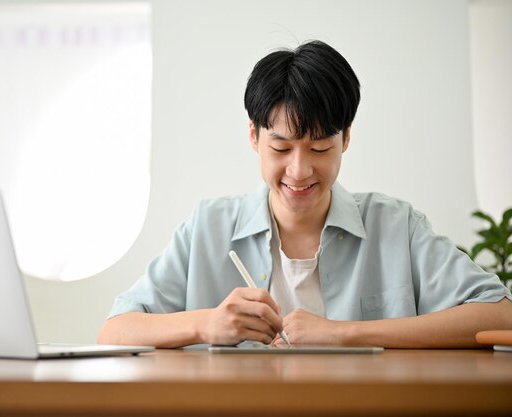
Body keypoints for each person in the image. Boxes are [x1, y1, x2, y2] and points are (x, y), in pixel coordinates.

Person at [98, 40, 512, 348]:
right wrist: (206, 325)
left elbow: (502, 314)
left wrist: (344, 333)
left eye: (319, 149)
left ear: (346, 138)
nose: (299, 171)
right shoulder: (208, 227)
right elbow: (115, 329)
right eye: (280, 149)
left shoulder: (395, 225)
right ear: (253, 137)